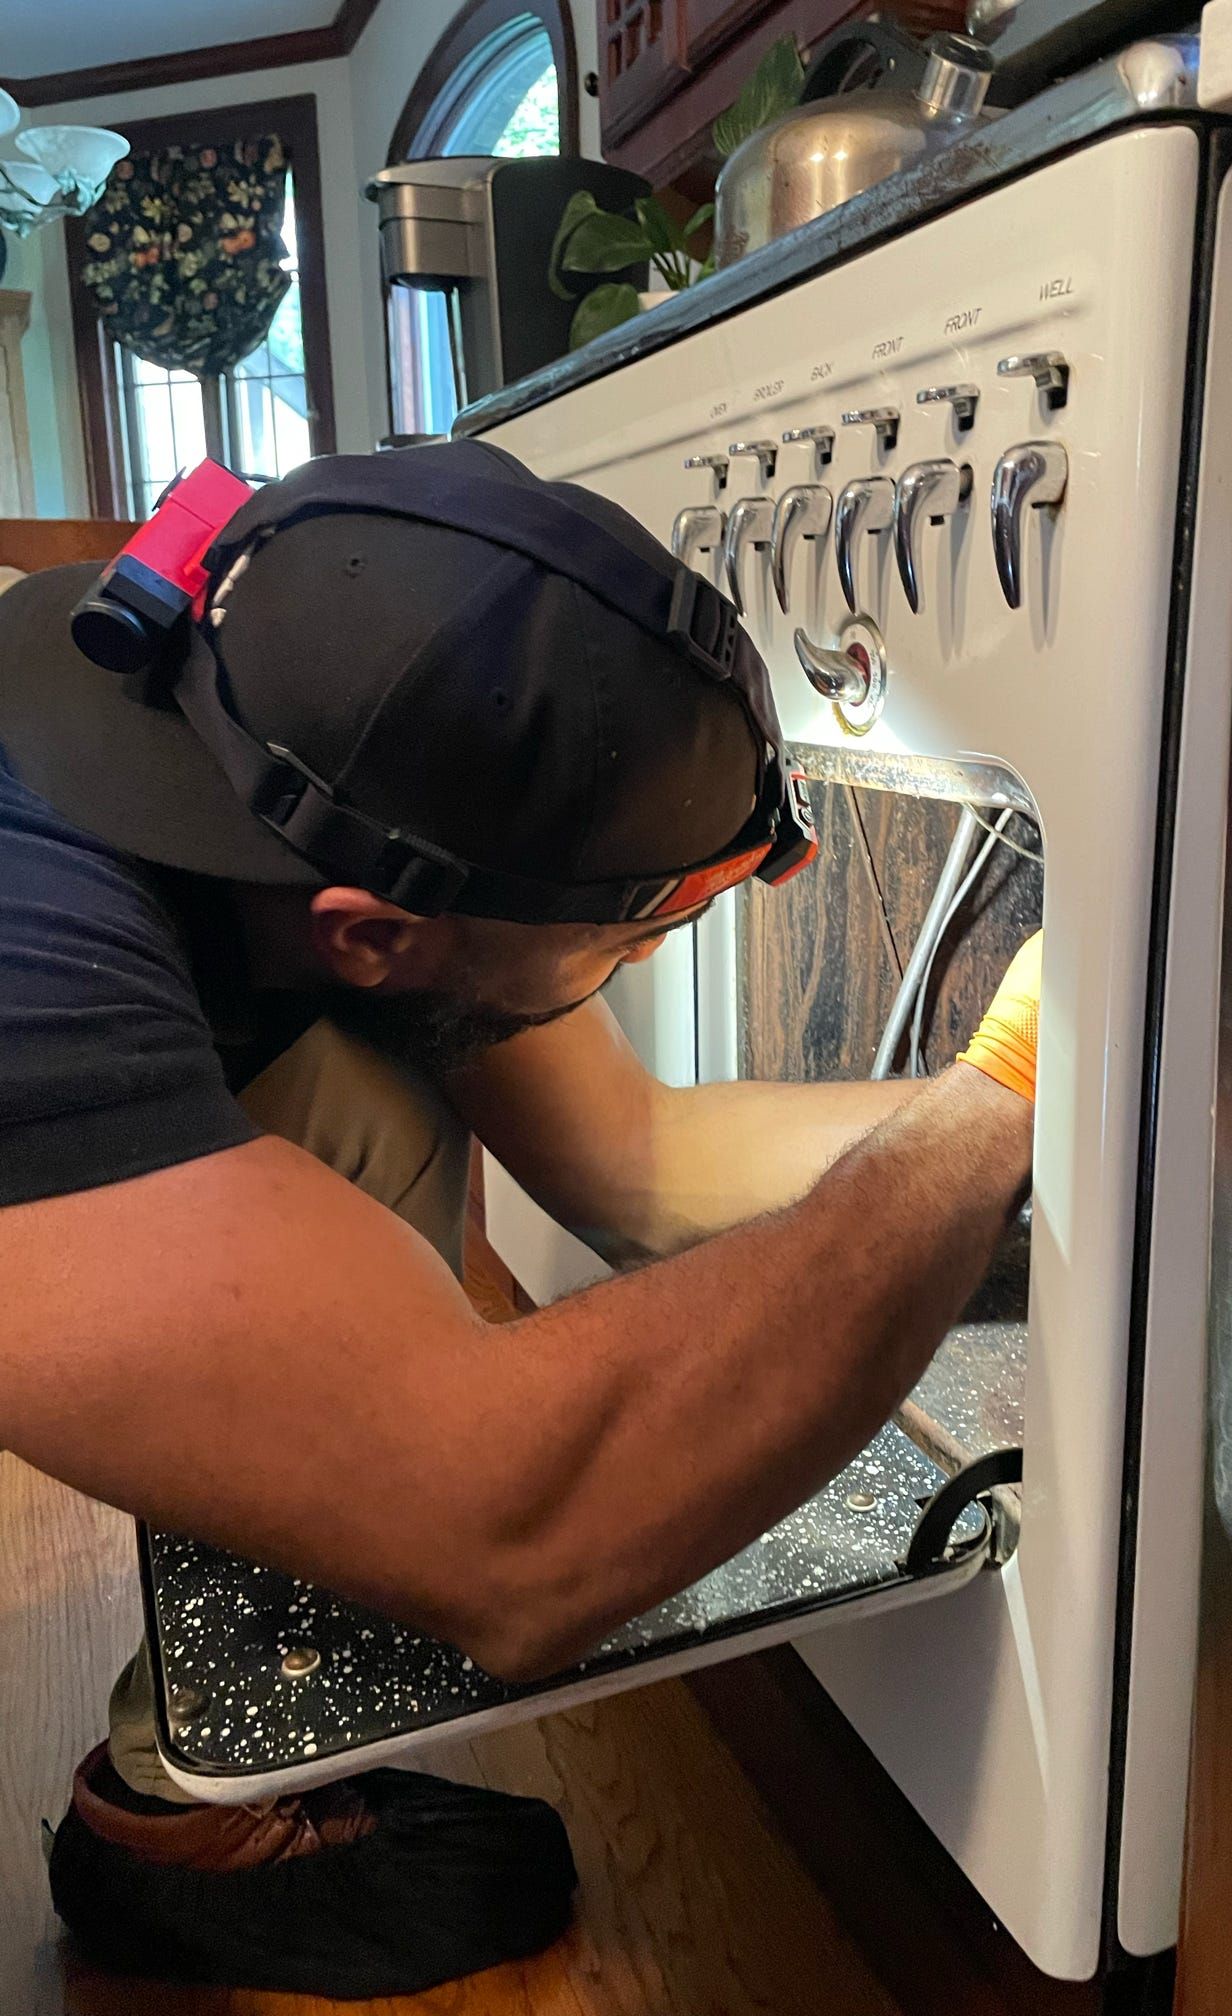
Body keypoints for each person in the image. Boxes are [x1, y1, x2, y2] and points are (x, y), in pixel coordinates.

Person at [0, 440, 1043, 1998]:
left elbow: (643, 1163)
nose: (636, 963)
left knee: (369, 1104)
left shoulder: (289, 717)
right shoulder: (40, 1001)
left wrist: (1022, 1092)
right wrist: (995, 1118)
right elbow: (522, 1549)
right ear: (375, 934)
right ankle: (166, 1862)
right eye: (630, 940)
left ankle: (177, 1805)